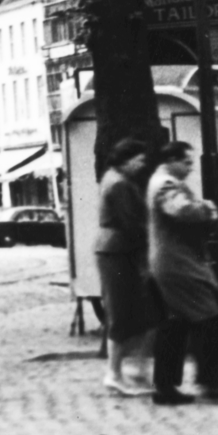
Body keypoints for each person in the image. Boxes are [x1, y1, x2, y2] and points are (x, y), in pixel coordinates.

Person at [146, 141, 218, 405]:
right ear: (171, 160)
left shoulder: (161, 181)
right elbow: (181, 210)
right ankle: (210, 382)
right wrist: (207, 209)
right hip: (178, 264)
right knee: (210, 317)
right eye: (186, 163)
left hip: (174, 263)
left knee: (177, 324)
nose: (190, 168)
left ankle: (167, 386)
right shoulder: (165, 184)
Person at [94, 137, 156, 396]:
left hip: (114, 250)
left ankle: (132, 371)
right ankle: (115, 373)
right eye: (139, 160)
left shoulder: (113, 178)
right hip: (118, 251)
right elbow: (132, 223)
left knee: (128, 312)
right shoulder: (120, 184)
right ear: (126, 159)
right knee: (121, 312)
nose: (142, 165)